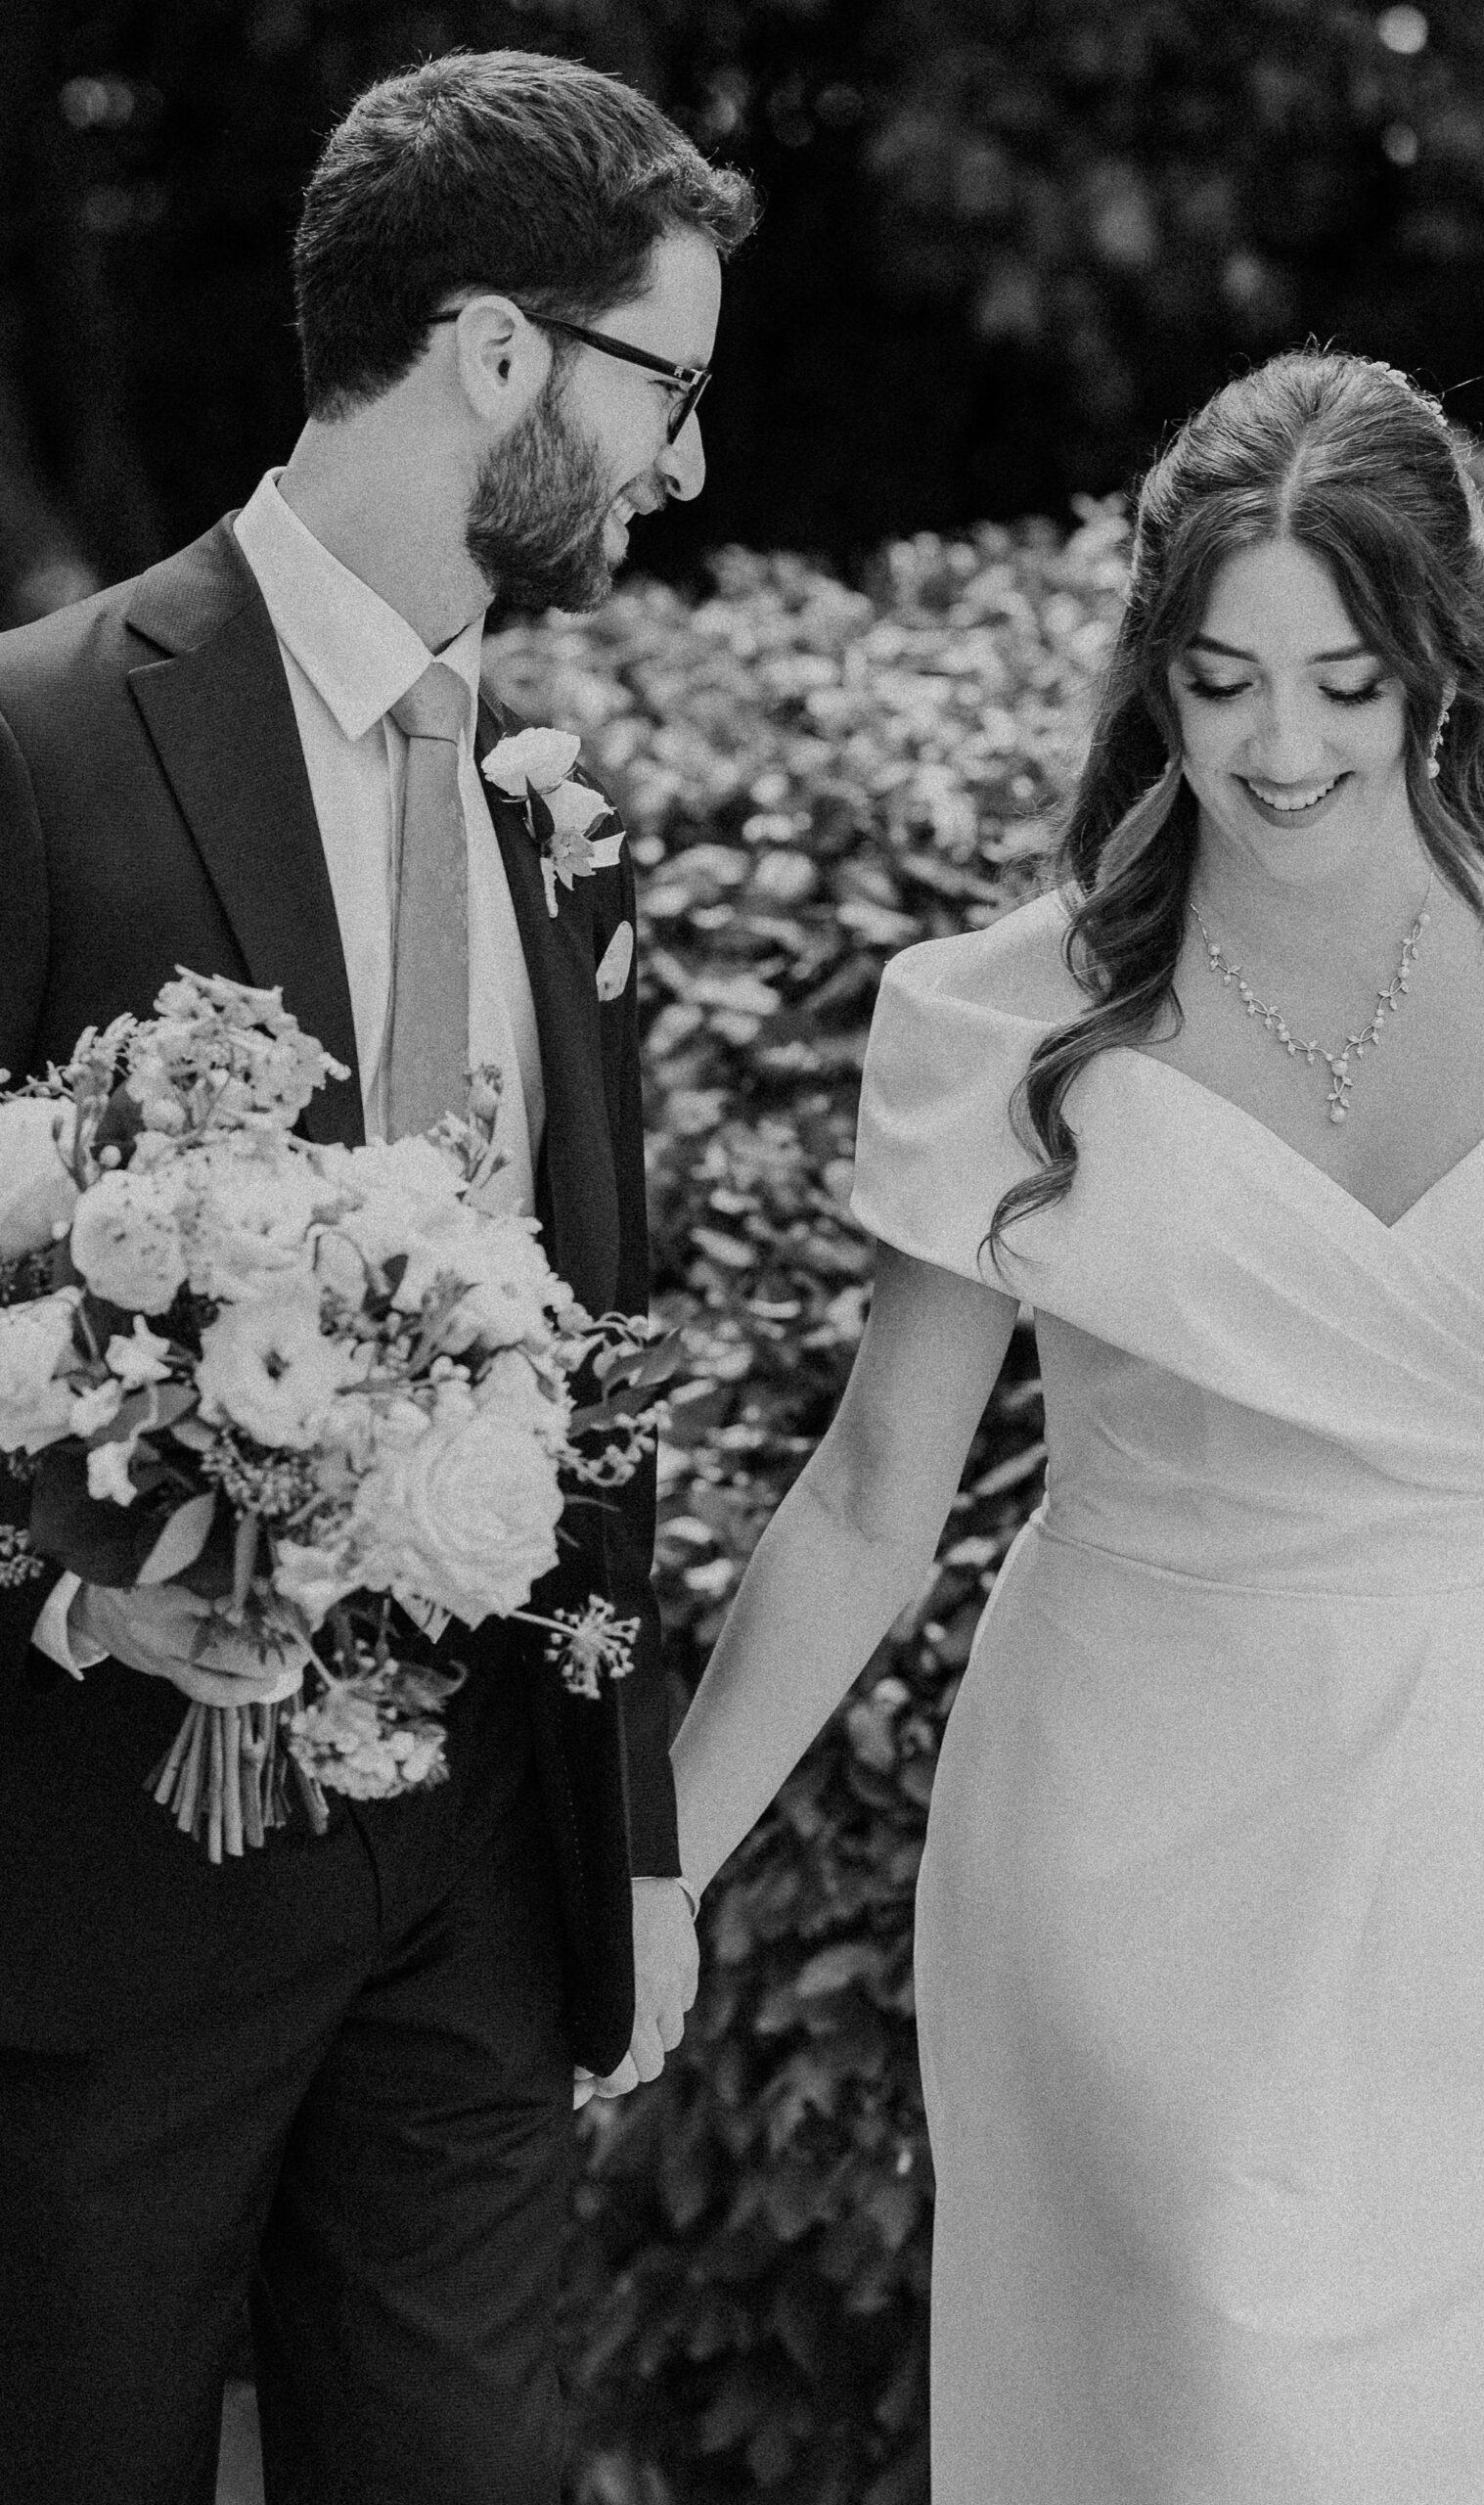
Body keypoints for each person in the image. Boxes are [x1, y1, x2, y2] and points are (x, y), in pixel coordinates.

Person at [671, 349, 1484, 2502]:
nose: (1280, 748)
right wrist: (652, 1866)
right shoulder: (1011, 1015)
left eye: (1341, 679)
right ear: (1153, 670)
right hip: (1133, 1807)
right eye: (1220, 681)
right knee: (1214, 2405)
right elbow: (867, 1498)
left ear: (1437, 658)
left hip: (1480, 1801)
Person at [0, 50, 756, 2505]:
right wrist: (70, 1592)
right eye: (669, 384)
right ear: (502, 351)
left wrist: (617, 1827)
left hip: (472, 1895)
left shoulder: (555, 818)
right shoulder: (43, 741)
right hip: (96, 1878)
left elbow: (598, 1341)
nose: (687, 462)